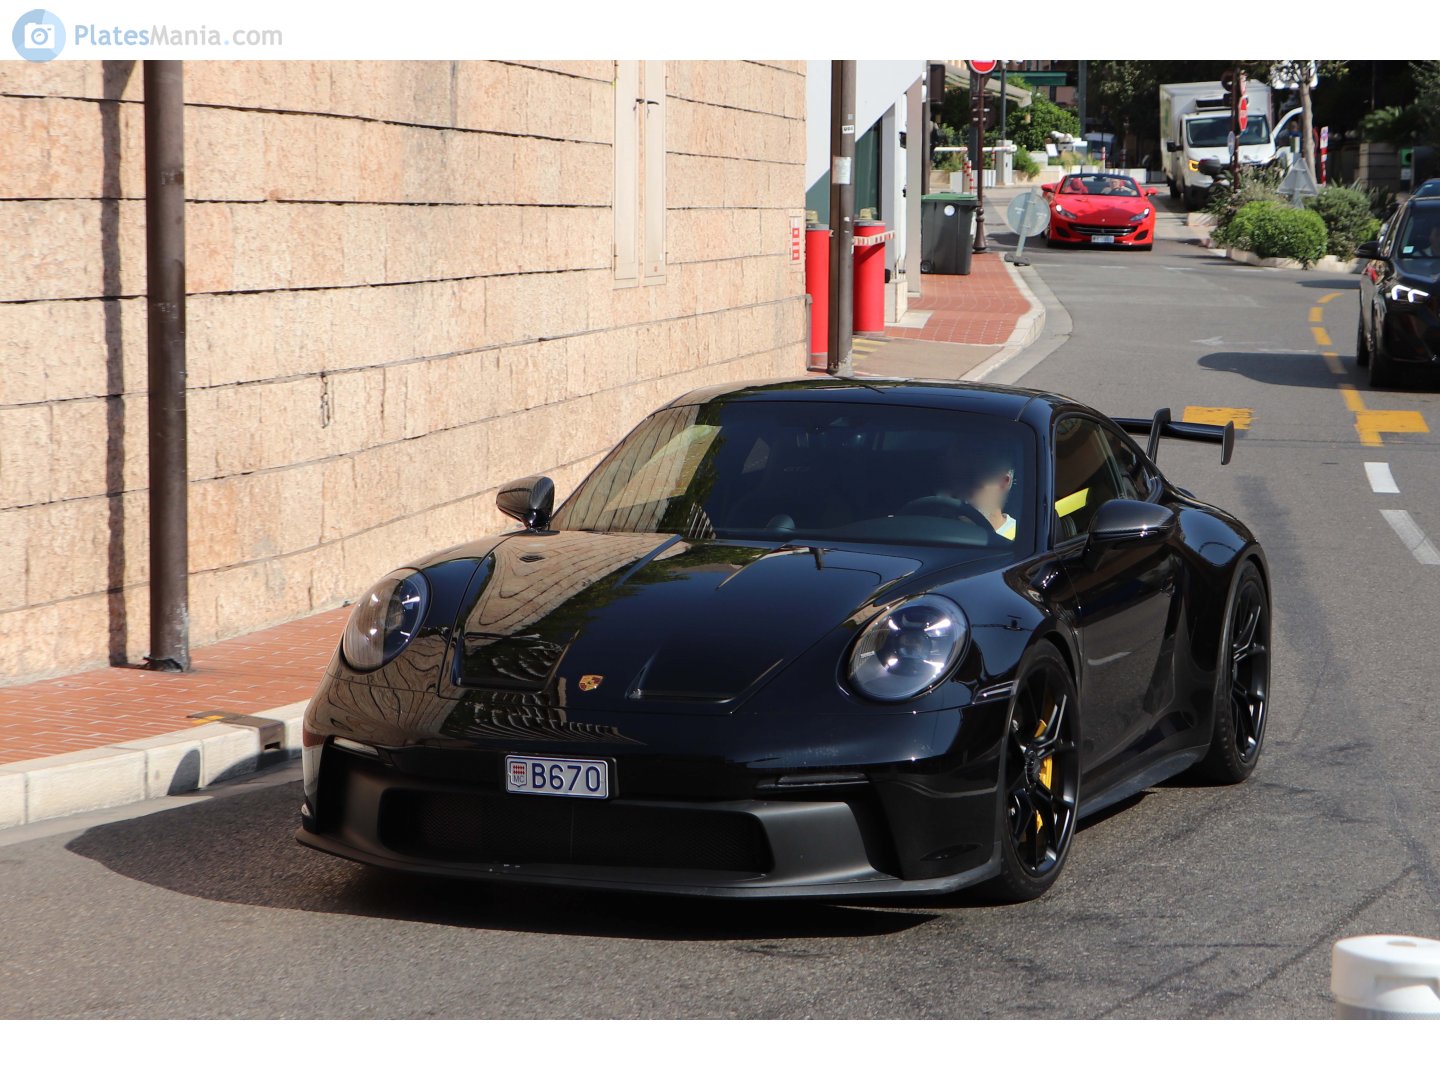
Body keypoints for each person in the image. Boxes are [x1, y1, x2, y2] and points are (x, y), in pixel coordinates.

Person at [938, 443, 1017, 539]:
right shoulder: (934, 534)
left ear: (1003, 483)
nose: (956, 490)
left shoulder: (1021, 539)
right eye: (950, 481)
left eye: (969, 479)